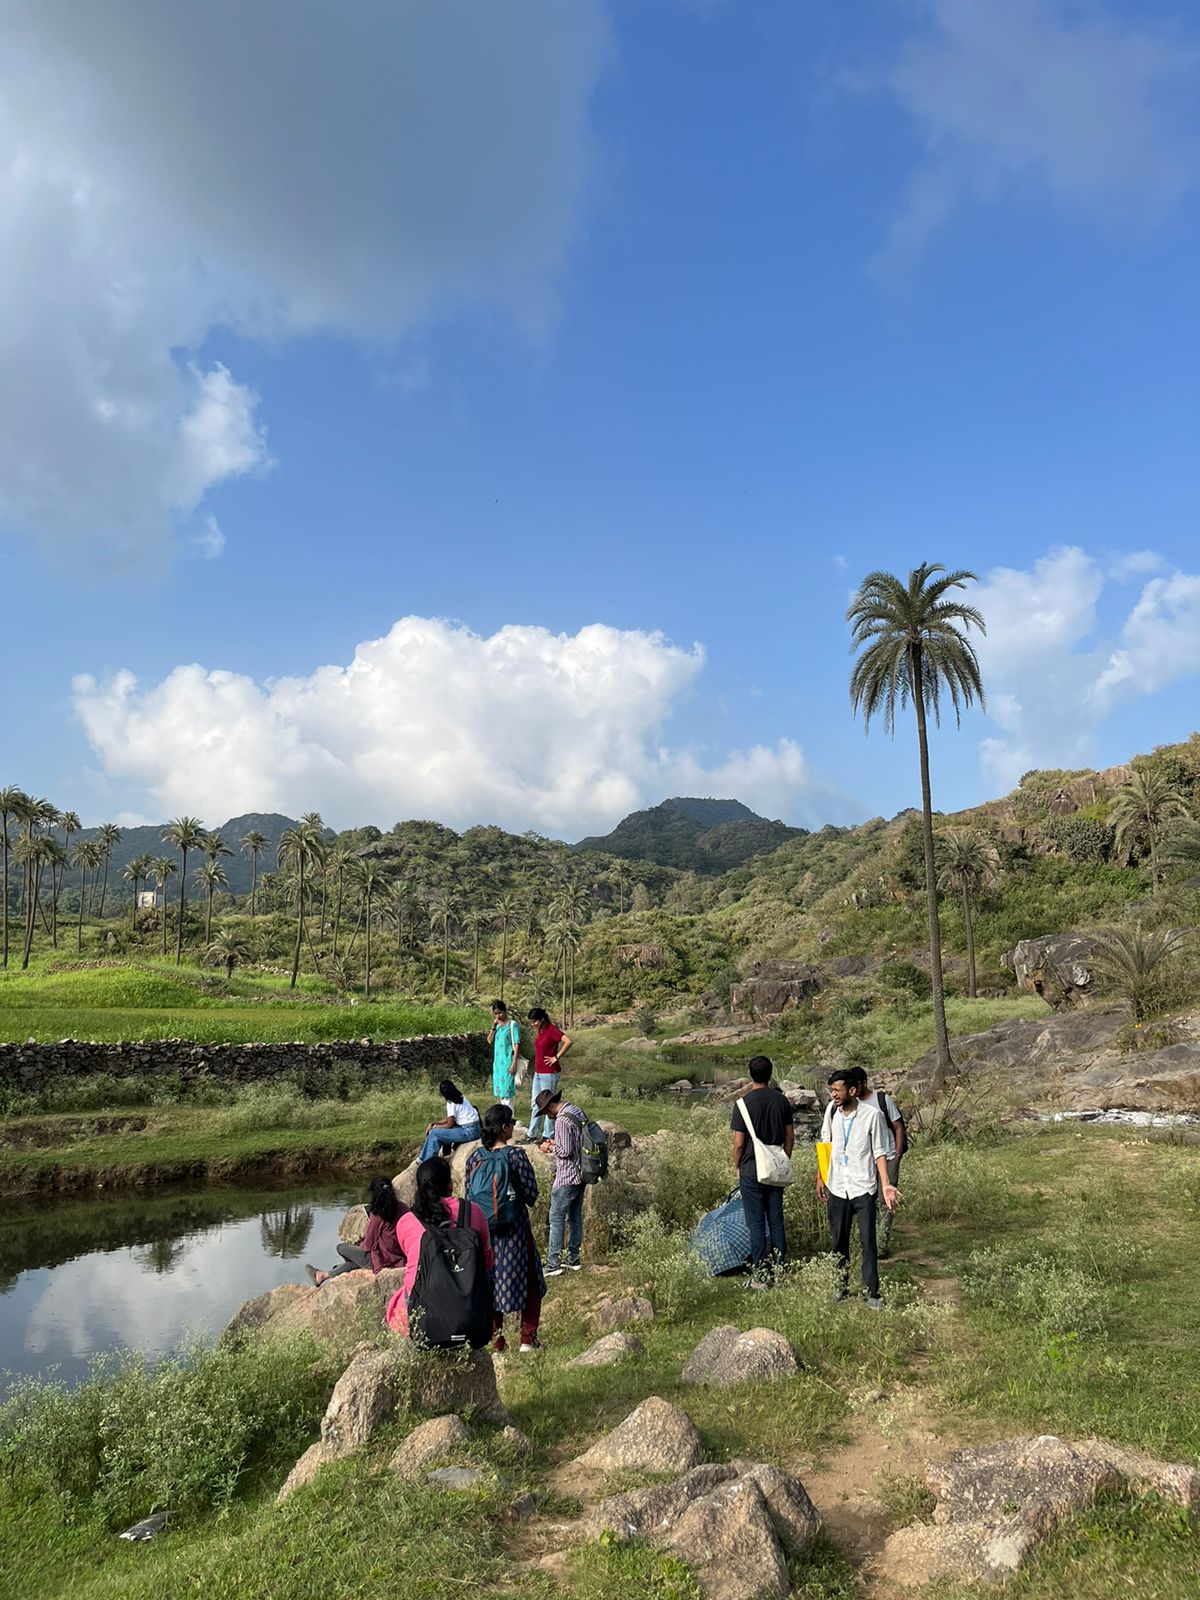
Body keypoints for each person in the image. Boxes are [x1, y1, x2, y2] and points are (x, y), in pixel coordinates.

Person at [816, 1068, 901, 1309]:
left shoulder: (872, 1116)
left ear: (852, 1090)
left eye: (837, 1090)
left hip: (863, 1185)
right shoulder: (831, 1112)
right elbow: (825, 1144)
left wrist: (886, 1184)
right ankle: (840, 1288)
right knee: (838, 1241)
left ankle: (871, 1293)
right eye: (831, 1090)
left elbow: (879, 1152)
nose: (833, 1095)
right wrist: (820, 1176)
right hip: (838, 1185)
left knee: (868, 1242)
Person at [465, 1103, 546, 1352]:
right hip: (515, 1231)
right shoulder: (516, 1156)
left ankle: (497, 1342)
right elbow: (531, 1195)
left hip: (485, 1234)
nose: (512, 1126)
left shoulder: (474, 1158)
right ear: (504, 1128)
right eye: (511, 1122)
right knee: (531, 1280)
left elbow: (468, 1196)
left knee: (490, 1283)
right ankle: (527, 1339)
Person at [386, 1156, 494, 1338]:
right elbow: (488, 1262)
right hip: (470, 1310)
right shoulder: (474, 1212)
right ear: (450, 1184)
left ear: (418, 1187)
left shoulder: (406, 1222)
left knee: (398, 1299)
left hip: (425, 1313)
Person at [729, 1055, 794, 1287]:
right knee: (776, 1221)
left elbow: (738, 1143)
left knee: (755, 1223)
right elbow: (789, 1137)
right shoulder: (781, 1101)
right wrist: (784, 1160)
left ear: (750, 1074)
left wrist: (737, 1165)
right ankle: (779, 1271)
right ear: (770, 1073)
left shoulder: (742, 1105)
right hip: (775, 1171)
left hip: (751, 1170)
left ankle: (760, 1275)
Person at [305, 1175, 408, 1286]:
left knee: (341, 1248)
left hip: (384, 1261)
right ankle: (322, 1276)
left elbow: (368, 1246)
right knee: (355, 1260)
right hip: (401, 1257)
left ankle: (325, 1275)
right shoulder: (402, 1208)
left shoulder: (378, 1214)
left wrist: (362, 1240)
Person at [850, 1066, 907, 1258]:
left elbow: (898, 1126)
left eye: (856, 1085)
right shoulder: (852, 1104)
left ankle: (882, 1243)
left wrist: (897, 1155)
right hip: (865, 1160)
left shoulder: (881, 1100)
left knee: (886, 1201)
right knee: (867, 1200)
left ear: (864, 1083)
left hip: (888, 1156)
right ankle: (869, 1241)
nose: (853, 1090)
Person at [535, 1085, 586, 1276]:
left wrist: (548, 1148)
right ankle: (573, 1258)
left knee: (556, 1218)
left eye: (545, 1113)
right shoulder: (575, 1110)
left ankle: (553, 1263)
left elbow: (565, 1151)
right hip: (582, 1173)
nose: (547, 1117)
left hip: (567, 1176)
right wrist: (556, 1142)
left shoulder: (562, 1120)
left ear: (549, 1107)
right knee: (575, 1217)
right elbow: (576, 1141)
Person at [526, 1006, 572, 1141]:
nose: (533, 1024)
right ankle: (532, 1134)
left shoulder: (552, 1030)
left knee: (548, 1104)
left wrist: (556, 1057)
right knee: (536, 1103)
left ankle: (548, 1135)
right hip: (538, 1072)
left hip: (549, 1072)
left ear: (542, 1019)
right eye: (531, 1022)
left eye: (535, 1021)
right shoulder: (540, 1031)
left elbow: (568, 1041)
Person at [418, 1079, 482, 1163]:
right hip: (475, 1128)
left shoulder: (451, 1103)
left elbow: (449, 1125)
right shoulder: (461, 1097)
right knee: (439, 1131)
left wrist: (435, 1127)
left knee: (434, 1133)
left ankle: (425, 1160)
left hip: (468, 1132)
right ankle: (441, 1154)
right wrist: (434, 1123)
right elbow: (449, 1119)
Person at [488, 1000, 521, 1110]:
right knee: (501, 1093)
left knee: (507, 1092)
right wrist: (493, 1026)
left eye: (500, 1013)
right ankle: (502, 1116)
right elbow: (489, 1040)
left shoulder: (512, 1025)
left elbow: (516, 1044)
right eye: (495, 1013)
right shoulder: (497, 1026)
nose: (498, 1016)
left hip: (508, 1061)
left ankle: (509, 1116)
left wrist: (514, 1062)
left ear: (505, 1011)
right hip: (498, 1063)